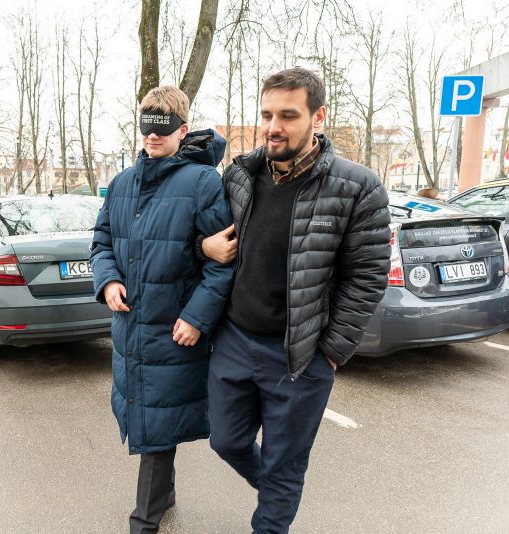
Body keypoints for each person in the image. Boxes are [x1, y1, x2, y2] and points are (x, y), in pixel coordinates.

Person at [196, 67, 391, 532]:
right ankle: (278, 493)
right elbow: (206, 239)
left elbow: (367, 276)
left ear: (317, 117)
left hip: (300, 356)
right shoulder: (240, 176)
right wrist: (203, 246)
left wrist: (332, 351)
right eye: (266, 115)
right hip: (235, 340)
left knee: (285, 463)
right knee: (225, 441)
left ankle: (273, 513)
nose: (273, 127)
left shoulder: (357, 187)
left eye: (287, 115)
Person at [90, 86, 234, 533]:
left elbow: (224, 262)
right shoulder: (121, 184)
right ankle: (164, 495)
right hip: (130, 326)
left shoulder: (202, 182)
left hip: (174, 328)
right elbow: (101, 243)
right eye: (146, 127)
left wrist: (196, 317)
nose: (152, 136)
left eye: (163, 128)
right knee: (150, 415)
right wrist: (108, 280)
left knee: (155, 420)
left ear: (183, 130)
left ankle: (144, 520)